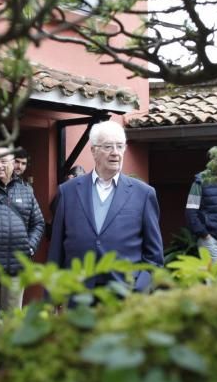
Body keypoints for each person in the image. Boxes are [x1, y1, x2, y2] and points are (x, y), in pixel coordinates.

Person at [48, 121, 164, 291]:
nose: (115, 153)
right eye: (108, 147)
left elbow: (154, 256)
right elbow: (56, 250)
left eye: (120, 146)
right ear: (93, 150)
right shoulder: (68, 191)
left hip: (124, 295)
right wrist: (52, 295)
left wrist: (139, 290)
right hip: (77, 292)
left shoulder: (144, 194)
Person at [0, 147, 45, 311]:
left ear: (12, 163)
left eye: (3, 161)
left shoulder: (26, 192)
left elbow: (38, 223)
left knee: (11, 323)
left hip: (16, 271)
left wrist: (30, 247)